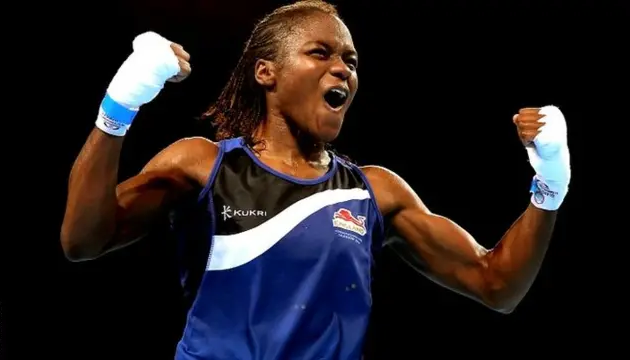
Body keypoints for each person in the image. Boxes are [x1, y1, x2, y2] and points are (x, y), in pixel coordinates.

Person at [60, 1, 571, 359]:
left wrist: (551, 184)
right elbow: (83, 240)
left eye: (350, 60)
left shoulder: (374, 191)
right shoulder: (202, 165)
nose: (342, 70)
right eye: (320, 53)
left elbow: (497, 285)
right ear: (267, 73)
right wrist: (120, 104)